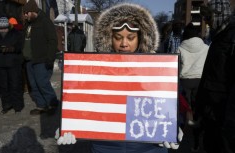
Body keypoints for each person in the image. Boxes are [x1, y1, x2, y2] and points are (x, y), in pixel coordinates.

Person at [56, 3, 183, 153]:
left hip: (149, 147)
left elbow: (167, 106)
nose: (124, 44)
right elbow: (81, 104)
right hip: (105, 147)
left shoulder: (158, 70)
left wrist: (173, 127)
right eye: (118, 37)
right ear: (109, 38)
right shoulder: (93, 69)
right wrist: (69, 125)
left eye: (130, 37)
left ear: (140, 38)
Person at [195, 0, 235, 152]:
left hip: (223, 113)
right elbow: (209, 74)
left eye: (208, 17)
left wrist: (230, 119)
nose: (206, 21)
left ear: (219, 15)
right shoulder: (218, 37)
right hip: (211, 110)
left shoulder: (231, 37)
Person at [22, 0, 59, 115]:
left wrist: (50, 58)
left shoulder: (45, 21)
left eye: (26, 13)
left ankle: (52, 104)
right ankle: (41, 105)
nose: (25, 15)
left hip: (41, 59)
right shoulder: (28, 23)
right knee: (33, 84)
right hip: (29, 60)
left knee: (42, 83)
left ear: (33, 11)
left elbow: (53, 41)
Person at [178, 22, 209, 152]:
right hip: (200, 80)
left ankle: (181, 135)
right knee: (197, 109)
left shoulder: (180, 47)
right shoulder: (206, 47)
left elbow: (177, 65)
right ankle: (196, 141)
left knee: (185, 108)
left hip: (185, 80)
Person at [0, 16, 24, 114]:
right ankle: (6, 105)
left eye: (4, 28)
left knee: (15, 85)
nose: (3, 30)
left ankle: (17, 107)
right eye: (1, 28)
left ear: (8, 26)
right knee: (3, 86)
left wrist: (12, 49)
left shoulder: (16, 33)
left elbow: (19, 46)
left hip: (13, 63)